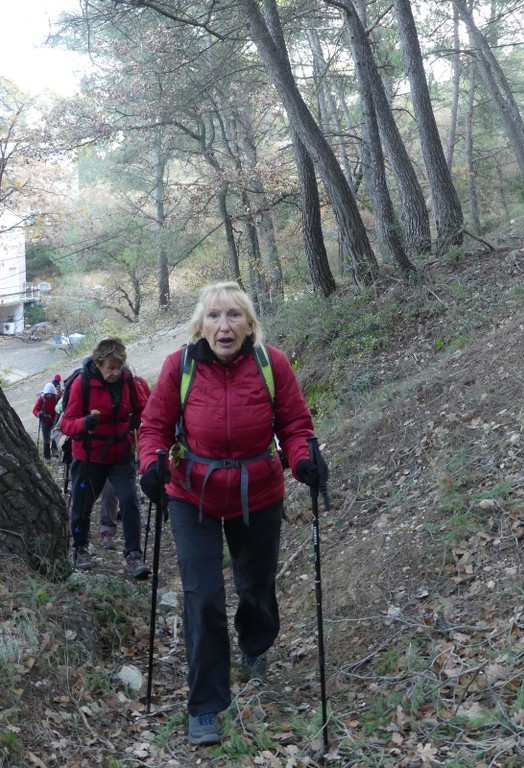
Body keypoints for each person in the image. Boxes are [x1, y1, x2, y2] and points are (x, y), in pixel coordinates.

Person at [138, 281, 327, 746]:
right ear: (200, 325)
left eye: (234, 316)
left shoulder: (271, 364)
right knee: (202, 594)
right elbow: (154, 426)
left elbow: (296, 424)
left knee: (255, 582)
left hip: (258, 490)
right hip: (192, 493)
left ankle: (255, 645)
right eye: (215, 316)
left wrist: (303, 458)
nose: (224, 326)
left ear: (249, 324)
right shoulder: (178, 366)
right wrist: (151, 463)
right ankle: (205, 704)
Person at [60, 336, 151, 578]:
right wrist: (84, 423)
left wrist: (137, 420)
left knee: (130, 500)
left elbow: (145, 409)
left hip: (120, 453)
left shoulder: (127, 380)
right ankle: (80, 549)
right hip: (89, 456)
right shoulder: (82, 384)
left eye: (119, 366)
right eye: (111, 367)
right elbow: (66, 424)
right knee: (82, 505)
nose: (116, 372)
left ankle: (133, 556)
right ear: (99, 363)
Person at [99, 371, 151, 550]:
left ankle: (132, 550)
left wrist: (138, 421)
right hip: (106, 450)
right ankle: (107, 530)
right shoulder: (97, 385)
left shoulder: (136, 383)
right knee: (109, 490)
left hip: (128, 447)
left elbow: (148, 411)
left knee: (128, 495)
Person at [32, 382, 61, 460]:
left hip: (55, 420)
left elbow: (62, 404)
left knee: (55, 437)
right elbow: (35, 410)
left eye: (51, 394)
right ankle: (47, 456)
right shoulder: (42, 398)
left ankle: (54, 452)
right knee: (46, 439)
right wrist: (39, 414)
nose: (49, 395)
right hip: (45, 421)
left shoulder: (57, 397)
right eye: (48, 394)